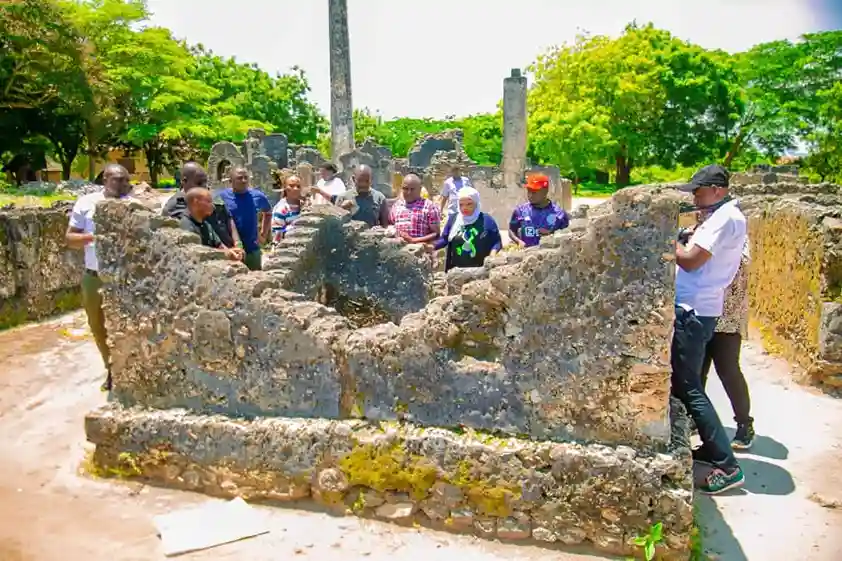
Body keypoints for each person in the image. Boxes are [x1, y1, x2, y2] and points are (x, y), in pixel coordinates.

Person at [673, 164, 747, 494]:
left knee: (688, 385)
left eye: (699, 191)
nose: (695, 197)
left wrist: (664, 242)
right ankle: (711, 446)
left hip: (695, 310)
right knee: (687, 382)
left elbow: (690, 260)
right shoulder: (720, 217)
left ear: (718, 189)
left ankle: (728, 465)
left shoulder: (726, 218)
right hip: (696, 307)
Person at [65, 163, 132, 392]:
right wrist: (96, 237)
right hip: (94, 275)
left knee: (129, 326)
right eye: (117, 179)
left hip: (125, 277)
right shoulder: (86, 203)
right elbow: (70, 238)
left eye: (125, 179)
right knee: (98, 325)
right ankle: (111, 369)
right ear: (105, 180)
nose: (122, 184)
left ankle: (130, 371)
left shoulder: (134, 205)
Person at [699, 215, 754, 449]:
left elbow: (739, 269)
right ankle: (694, 420)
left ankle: (744, 424)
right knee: (695, 373)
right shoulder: (701, 233)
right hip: (701, 313)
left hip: (727, 318)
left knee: (729, 370)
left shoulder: (737, 238)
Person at [162, 162, 235, 247]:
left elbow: (228, 217)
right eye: (199, 183)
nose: (204, 186)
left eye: (205, 182)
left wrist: (236, 243)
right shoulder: (175, 206)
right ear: (184, 181)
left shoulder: (210, 196)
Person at [428, 186, 502, 271]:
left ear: (476, 203)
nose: (464, 208)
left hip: (480, 270)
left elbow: (497, 242)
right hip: (455, 270)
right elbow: (444, 239)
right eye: (461, 204)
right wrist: (431, 246)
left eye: (469, 204)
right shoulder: (454, 219)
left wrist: (492, 254)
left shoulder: (486, 220)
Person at [218, 166, 272, 271]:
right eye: (239, 178)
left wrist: (263, 234)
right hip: (232, 250)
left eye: (246, 177)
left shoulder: (257, 196)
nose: (244, 181)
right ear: (230, 181)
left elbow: (268, 212)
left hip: (253, 248)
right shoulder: (222, 197)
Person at [179, 188, 244, 262]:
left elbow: (220, 246)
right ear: (196, 202)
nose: (213, 206)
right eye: (209, 201)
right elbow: (196, 256)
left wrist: (233, 251)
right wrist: (226, 254)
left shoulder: (205, 224)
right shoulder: (186, 227)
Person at [508, 174, 570, 248]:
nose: (530, 195)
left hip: (549, 256)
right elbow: (511, 230)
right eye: (528, 191)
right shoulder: (520, 211)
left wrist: (552, 235)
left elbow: (567, 237)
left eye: (534, 192)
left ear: (545, 191)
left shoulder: (560, 214)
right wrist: (518, 241)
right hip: (527, 255)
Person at [389, 173, 441, 244]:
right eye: (405, 189)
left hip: (419, 251)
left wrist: (413, 240)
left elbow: (436, 234)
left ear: (419, 189)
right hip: (397, 250)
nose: (408, 192)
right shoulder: (396, 206)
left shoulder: (429, 206)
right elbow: (390, 226)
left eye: (412, 189)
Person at [271, 175, 303, 243]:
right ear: (285, 187)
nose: (295, 189)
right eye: (291, 186)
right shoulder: (281, 209)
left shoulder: (304, 205)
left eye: (298, 186)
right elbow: (277, 233)